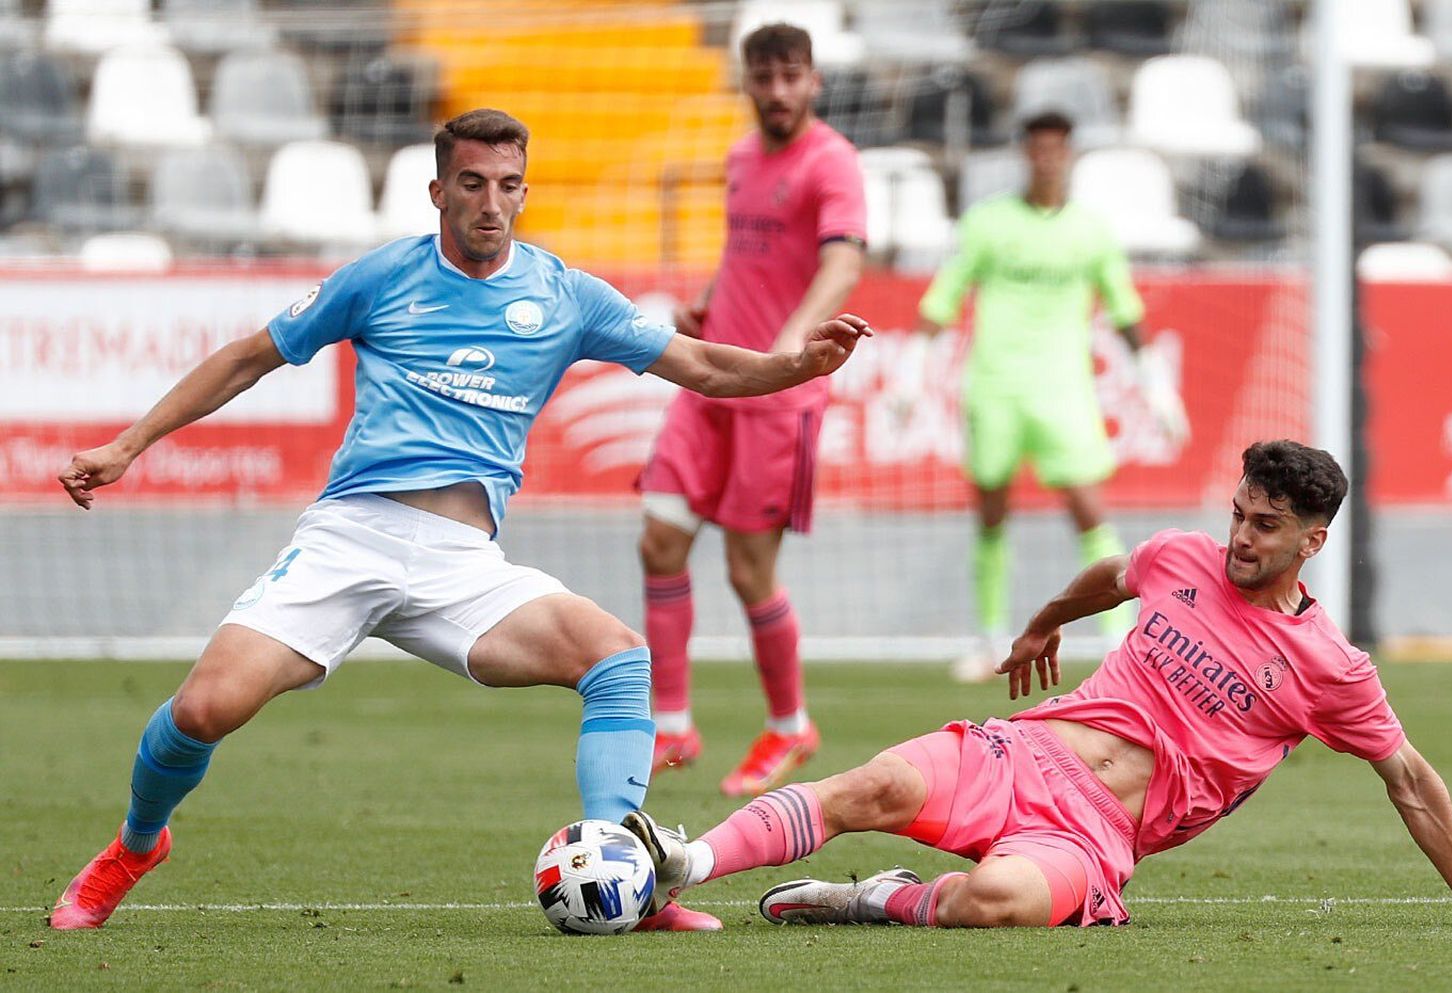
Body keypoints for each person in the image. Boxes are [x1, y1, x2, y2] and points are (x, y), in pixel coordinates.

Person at [48, 108, 871, 934]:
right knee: (202, 710)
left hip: (461, 564)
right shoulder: (380, 278)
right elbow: (248, 357)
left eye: (508, 186)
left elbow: (697, 362)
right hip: (351, 537)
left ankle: (633, 877)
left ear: (524, 192)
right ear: (438, 189)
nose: (491, 203)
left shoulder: (563, 294)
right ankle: (135, 846)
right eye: (473, 184)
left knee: (616, 656)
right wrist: (128, 446)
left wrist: (791, 365)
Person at [624, 441, 1452, 931]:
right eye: (1237, 512)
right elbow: (1112, 572)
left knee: (997, 905)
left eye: (1265, 525)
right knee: (870, 785)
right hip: (1026, 749)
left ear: (1312, 541)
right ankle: (684, 864)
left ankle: (868, 899)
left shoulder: (1331, 668)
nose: (1239, 537)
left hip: (1100, 831)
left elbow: (1410, 779)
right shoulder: (1182, 556)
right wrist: (1044, 622)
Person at [636, 22, 866, 795]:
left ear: (813, 81)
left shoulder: (832, 161)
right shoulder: (739, 157)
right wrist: (704, 303)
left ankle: (789, 724)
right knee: (659, 538)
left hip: (780, 391)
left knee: (746, 569)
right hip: (713, 377)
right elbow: (745, 253)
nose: (776, 92)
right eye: (762, 78)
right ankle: (671, 726)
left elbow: (843, 258)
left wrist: (793, 344)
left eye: (789, 76)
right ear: (748, 82)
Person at [912, 111, 1188, 683]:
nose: (1046, 159)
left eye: (1056, 149)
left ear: (1069, 155)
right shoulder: (987, 224)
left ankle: (1124, 640)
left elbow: (1125, 310)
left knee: (1089, 510)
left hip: (1063, 389)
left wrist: (1157, 386)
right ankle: (989, 637)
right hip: (995, 386)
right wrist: (914, 370)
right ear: (1025, 153)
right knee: (992, 514)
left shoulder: (1090, 231)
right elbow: (945, 298)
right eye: (1037, 149)